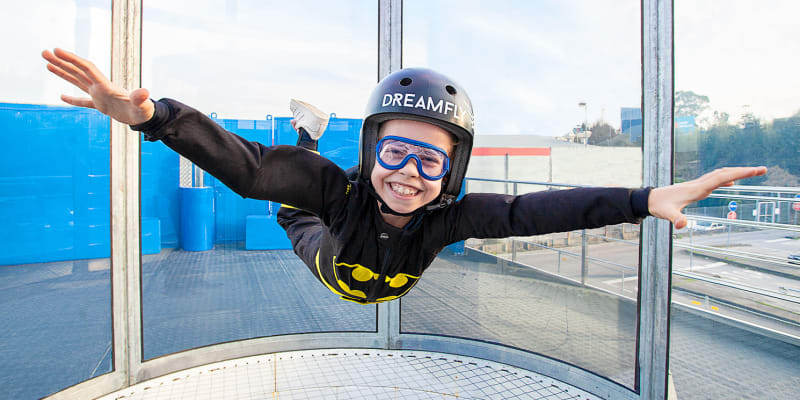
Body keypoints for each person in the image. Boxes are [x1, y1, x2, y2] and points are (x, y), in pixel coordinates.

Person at [42, 48, 766, 304]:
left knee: (294, 193)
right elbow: (248, 168)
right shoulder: (343, 188)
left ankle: (309, 133)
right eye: (395, 154)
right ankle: (309, 133)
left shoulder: (449, 217)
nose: (409, 176)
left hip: (366, 268)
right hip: (327, 246)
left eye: (430, 161)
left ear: (453, 170)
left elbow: (538, 212)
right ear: (371, 152)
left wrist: (643, 199)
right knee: (287, 206)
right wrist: (151, 117)